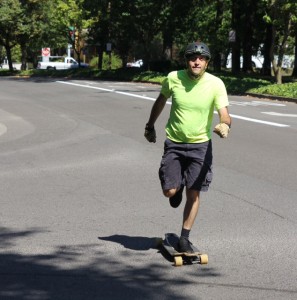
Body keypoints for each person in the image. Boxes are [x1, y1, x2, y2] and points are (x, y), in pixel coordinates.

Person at [144, 41, 232, 253]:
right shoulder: (174, 78)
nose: (196, 61)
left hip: (200, 146)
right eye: (193, 58)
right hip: (174, 142)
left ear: (207, 63)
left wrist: (224, 124)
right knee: (169, 192)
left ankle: (184, 237)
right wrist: (150, 126)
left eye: (201, 59)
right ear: (186, 61)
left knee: (195, 193)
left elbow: (225, 113)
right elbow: (160, 101)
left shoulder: (216, 84)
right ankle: (176, 185)